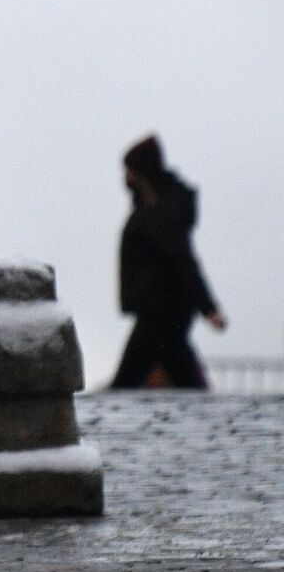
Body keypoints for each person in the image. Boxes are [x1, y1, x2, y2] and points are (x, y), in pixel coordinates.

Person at [110, 134, 226, 390]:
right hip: (162, 307)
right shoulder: (153, 205)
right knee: (180, 368)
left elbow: (182, 259)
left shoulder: (160, 208)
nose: (126, 177)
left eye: (130, 170)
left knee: (126, 381)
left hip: (161, 308)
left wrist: (209, 308)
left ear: (142, 172)